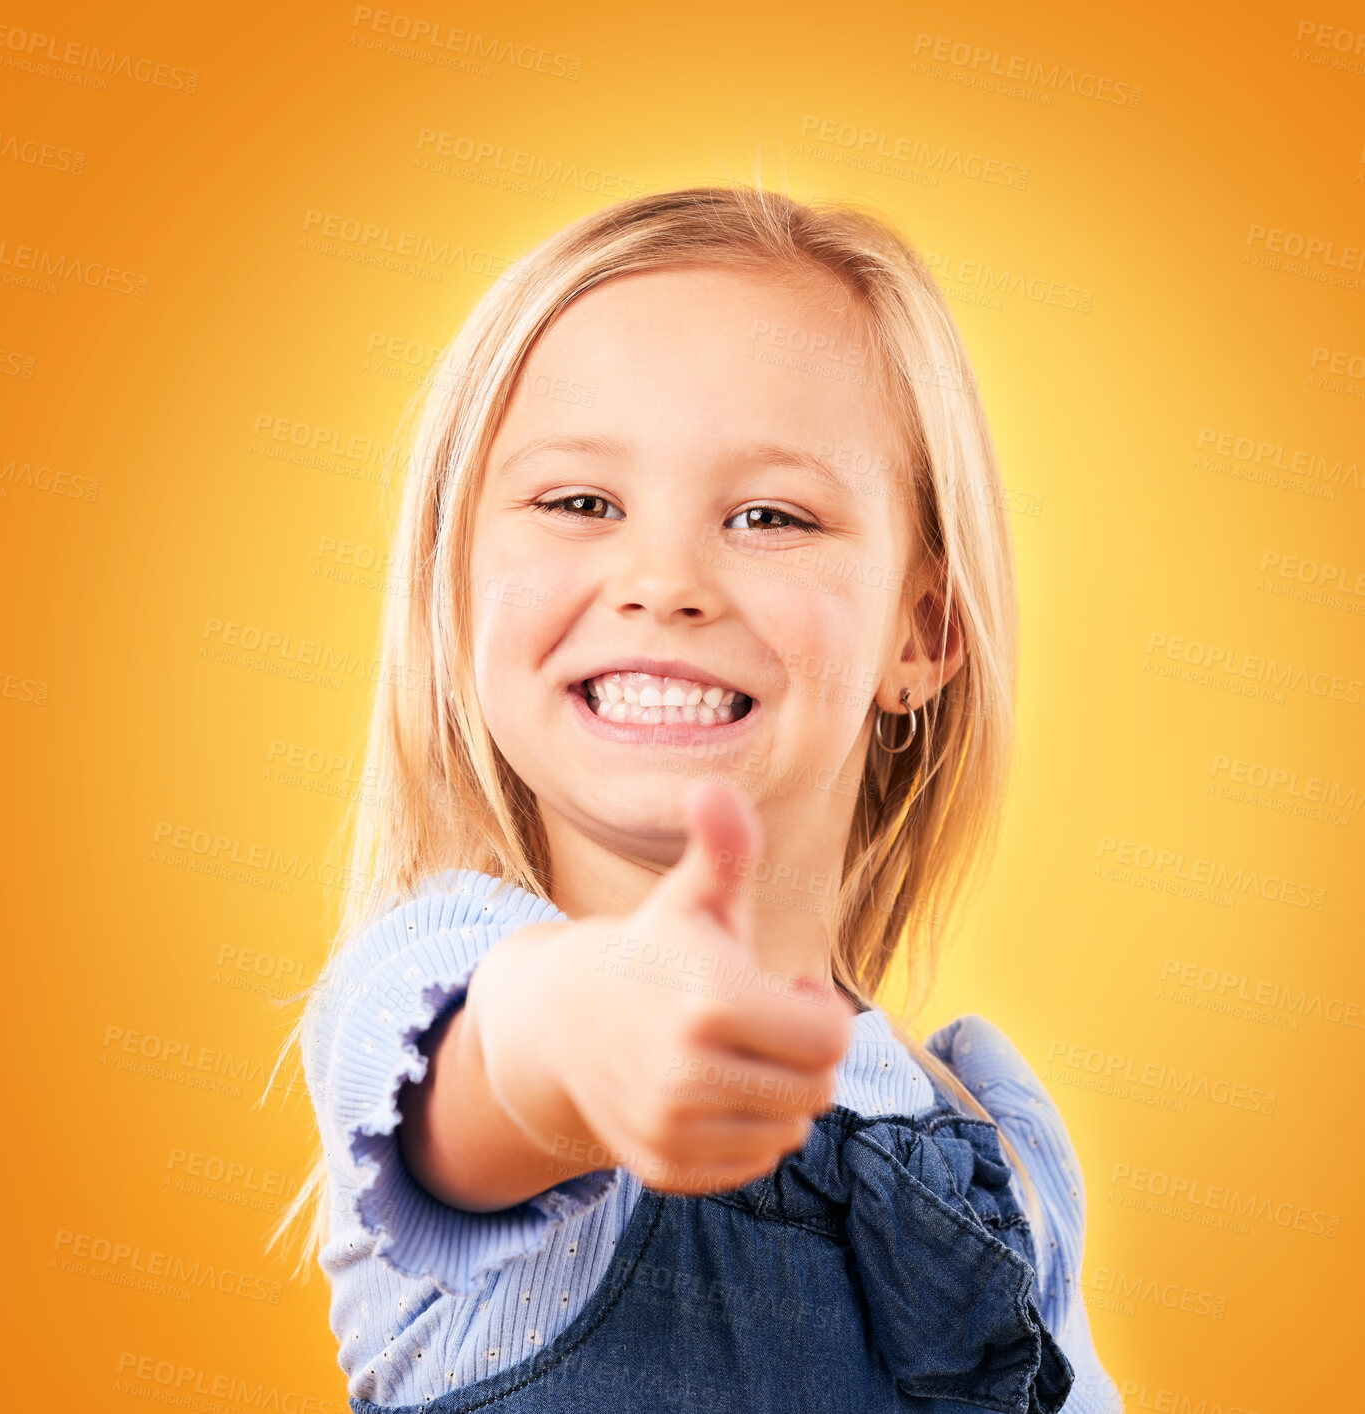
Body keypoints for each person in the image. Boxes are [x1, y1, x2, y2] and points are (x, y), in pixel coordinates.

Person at [269, 184, 1124, 1413]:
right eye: (578, 503)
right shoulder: (428, 996)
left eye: (770, 515)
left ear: (922, 632)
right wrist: (595, 1031)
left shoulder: (995, 1144)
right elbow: (510, 1057)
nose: (663, 579)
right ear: (457, 593)